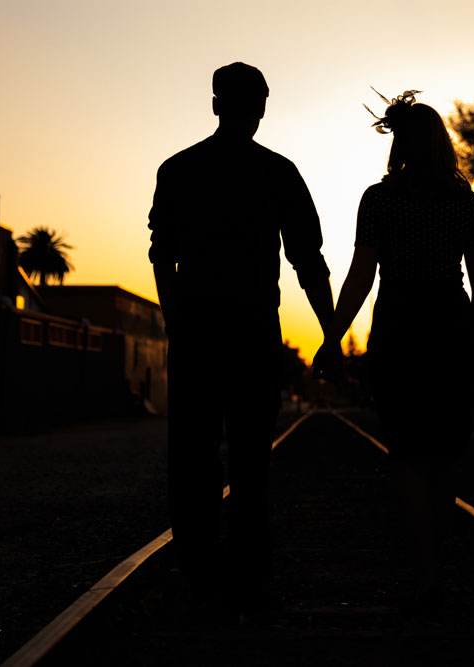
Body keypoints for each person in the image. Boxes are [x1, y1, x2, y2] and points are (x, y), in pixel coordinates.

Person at [148, 62, 335, 614]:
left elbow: (163, 253)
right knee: (251, 460)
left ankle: (200, 573)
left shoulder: (178, 169)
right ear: (259, 107)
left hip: (197, 333)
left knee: (193, 456)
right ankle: (248, 576)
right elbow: (309, 261)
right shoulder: (278, 173)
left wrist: (173, 317)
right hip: (254, 334)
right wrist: (331, 333)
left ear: (214, 104)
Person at [313, 91, 474, 611]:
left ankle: (426, 576)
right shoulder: (464, 201)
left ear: (399, 144)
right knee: (444, 459)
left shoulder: (379, 199)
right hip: (449, 328)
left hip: (398, 329)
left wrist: (331, 336)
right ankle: (440, 564)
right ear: (441, 143)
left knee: (410, 457)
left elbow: (361, 277)